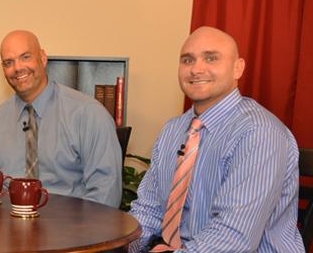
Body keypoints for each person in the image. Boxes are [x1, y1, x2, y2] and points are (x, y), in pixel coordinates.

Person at [128, 26, 304, 252]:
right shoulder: (172, 130)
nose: (196, 69)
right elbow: (148, 210)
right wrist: (119, 248)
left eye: (211, 58)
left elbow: (232, 239)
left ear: (238, 68)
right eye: (187, 60)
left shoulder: (259, 133)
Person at [0, 30, 122, 207]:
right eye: (8, 62)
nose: (18, 67)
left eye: (25, 57)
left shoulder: (89, 115)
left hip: (69, 231)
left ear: (43, 58)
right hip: (4, 230)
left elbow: (105, 194)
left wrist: (78, 234)